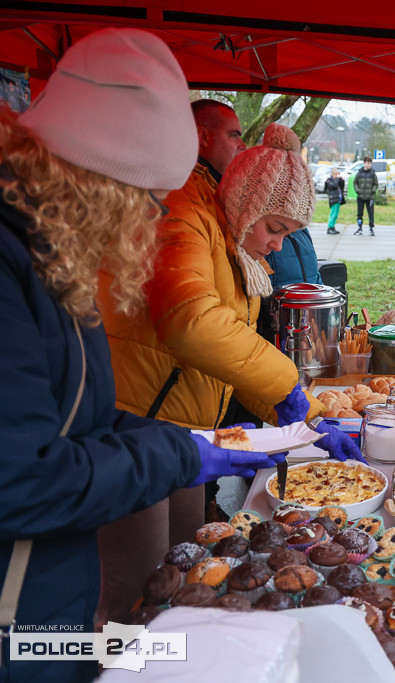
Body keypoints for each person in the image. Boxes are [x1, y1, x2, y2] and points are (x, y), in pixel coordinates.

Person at [0, 29, 284, 681]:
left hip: (53, 609)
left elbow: (86, 419)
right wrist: (180, 452)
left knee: (160, 651)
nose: (154, 216)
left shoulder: (52, 259)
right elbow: (19, 479)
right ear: (100, 178)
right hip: (16, 633)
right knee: (144, 644)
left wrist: (200, 441)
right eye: (148, 197)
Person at [95, 123, 361, 624]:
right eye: (275, 229)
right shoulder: (182, 215)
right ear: (247, 203)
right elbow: (193, 323)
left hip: (186, 427)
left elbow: (233, 352)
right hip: (134, 423)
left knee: (187, 572)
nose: (279, 246)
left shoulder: (228, 234)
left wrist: (308, 417)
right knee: (140, 589)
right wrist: (286, 387)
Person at [353, 156, 378, 235]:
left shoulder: (373, 173)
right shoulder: (359, 173)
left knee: (371, 214)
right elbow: (355, 182)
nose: (369, 165)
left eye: (370, 163)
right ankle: (359, 227)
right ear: (364, 163)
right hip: (360, 197)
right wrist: (357, 190)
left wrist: (372, 191)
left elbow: (376, 184)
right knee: (359, 213)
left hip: (369, 197)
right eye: (367, 163)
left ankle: (371, 228)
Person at [324, 167, 345, 235]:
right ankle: (330, 227)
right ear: (333, 174)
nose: (337, 175)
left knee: (336, 215)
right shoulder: (329, 180)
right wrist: (338, 179)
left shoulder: (337, 180)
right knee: (333, 214)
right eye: (336, 174)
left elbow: (342, 186)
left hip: (338, 199)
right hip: (333, 199)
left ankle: (333, 227)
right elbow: (334, 185)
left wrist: (341, 180)